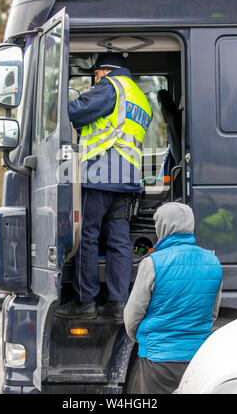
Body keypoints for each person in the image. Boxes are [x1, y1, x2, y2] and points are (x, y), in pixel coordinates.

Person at [55, 52, 152, 322]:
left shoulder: (112, 86)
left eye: (96, 75)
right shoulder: (141, 98)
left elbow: (76, 111)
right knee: (118, 240)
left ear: (105, 71)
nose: (96, 80)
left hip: (100, 173)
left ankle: (85, 302)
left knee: (86, 234)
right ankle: (118, 303)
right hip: (126, 177)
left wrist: (51, 109)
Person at [123, 202, 223, 394]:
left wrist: (147, 341)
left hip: (158, 358)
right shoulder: (213, 262)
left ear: (162, 226)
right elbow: (213, 313)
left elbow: (132, 316)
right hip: (197, 357)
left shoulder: (152, 263)